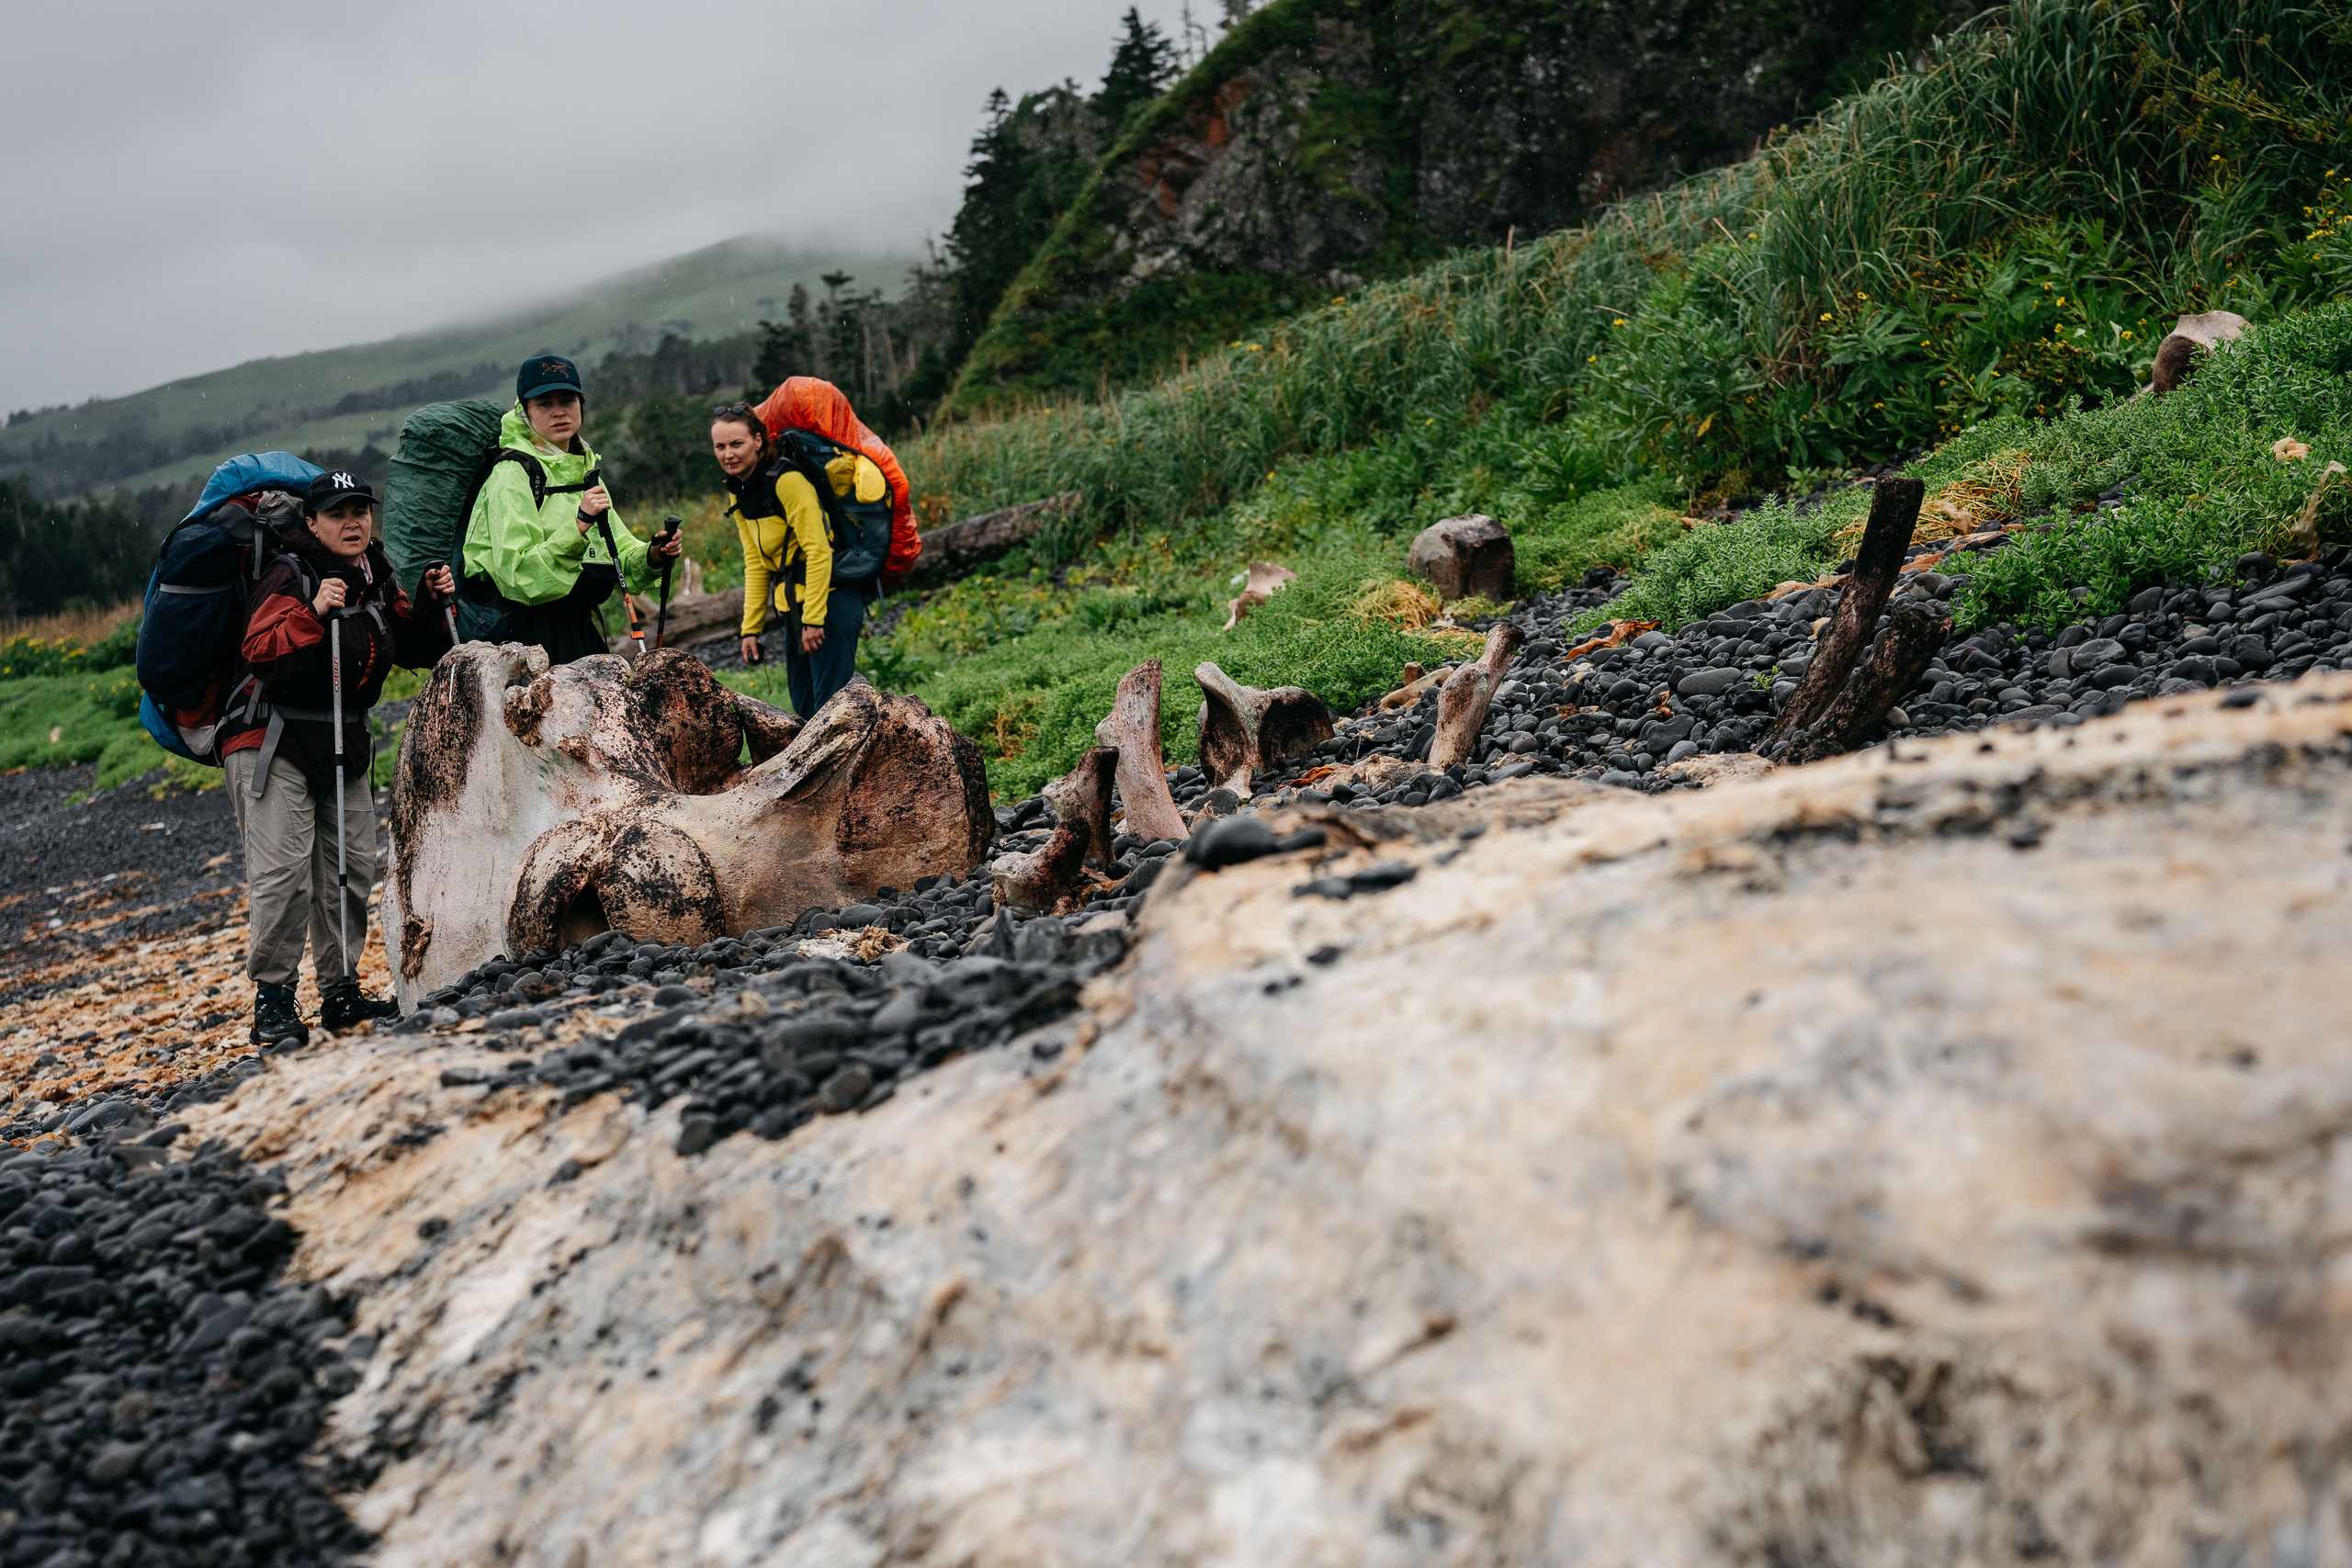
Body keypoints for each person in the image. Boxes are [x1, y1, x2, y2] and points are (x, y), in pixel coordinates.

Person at [222, 472, 457, 1045]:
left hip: (341, 737)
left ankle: (340, 992)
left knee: (353, 867)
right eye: (337, 513)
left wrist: (428, 601)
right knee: (283, 877)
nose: (352, 522)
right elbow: (258, 650)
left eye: (360, 510)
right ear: (311, 523)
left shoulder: (377, 576)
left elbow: (411, 644)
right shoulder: (289, 573)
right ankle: (274, 1002)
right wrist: (313, 612)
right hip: (270, 739)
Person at [465, 353, 682, 664]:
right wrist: (579, 525)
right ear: (524, 411)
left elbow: (617, 558)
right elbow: (518, 577)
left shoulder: (585, 471)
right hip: (523, 639)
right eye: (544, 403)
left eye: (567, 401)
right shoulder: (511, 474)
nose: (559, 412)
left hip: (578, 629)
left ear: (580, 405)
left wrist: (653, 555)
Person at [711, 402, 871, 716]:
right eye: (720, 446)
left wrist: (814, 618)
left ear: (758, 441)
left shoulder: (787, 481)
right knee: (804, 707)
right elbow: (757, 563)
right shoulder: (738, 491)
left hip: (830, 600)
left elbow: (818, 551)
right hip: (794, 607)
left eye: (736, 444)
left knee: (830, 709)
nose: (728, 454)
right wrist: (751, 629)